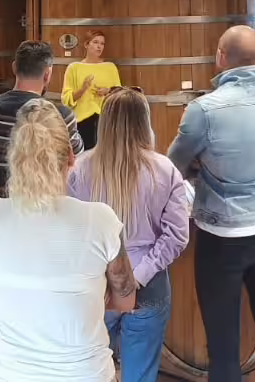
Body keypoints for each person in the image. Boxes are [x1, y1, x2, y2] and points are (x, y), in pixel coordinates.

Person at [166, 25, 255, 382]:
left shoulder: (203, 110)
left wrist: (199, 167)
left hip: (220, 237)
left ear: (220, 58)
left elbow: (170, 168)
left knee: (222, 348)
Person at [0, 98, 136, 382]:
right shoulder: (100, 220)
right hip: (86, 375)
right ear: (71, 158)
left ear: (14, 159)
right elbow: (126, 300)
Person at [67, 88, 188, 382]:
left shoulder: (78, 169)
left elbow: (70, 230)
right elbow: (176, 236)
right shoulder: (165, 169)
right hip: (149, 288)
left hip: (96, 287)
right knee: (141, 375)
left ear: (103, 121)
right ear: (145, 121)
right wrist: (138, 276)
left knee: (91, 372)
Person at [0, 41, 84, 196]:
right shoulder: (60, 114)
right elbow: (77, 159)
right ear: (47, 74)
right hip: (45, 206)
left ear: (14, 67)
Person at [61, 31, 121, 149]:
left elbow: (120, 94)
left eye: (102, 43)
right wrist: (83, 89)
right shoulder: (74, 68)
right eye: (95, 42)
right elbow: (66, 99)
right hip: (82, 121)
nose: (99, 46)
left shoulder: (110, 67)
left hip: (106, 120)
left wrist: (108, 91)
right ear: (86, 45)